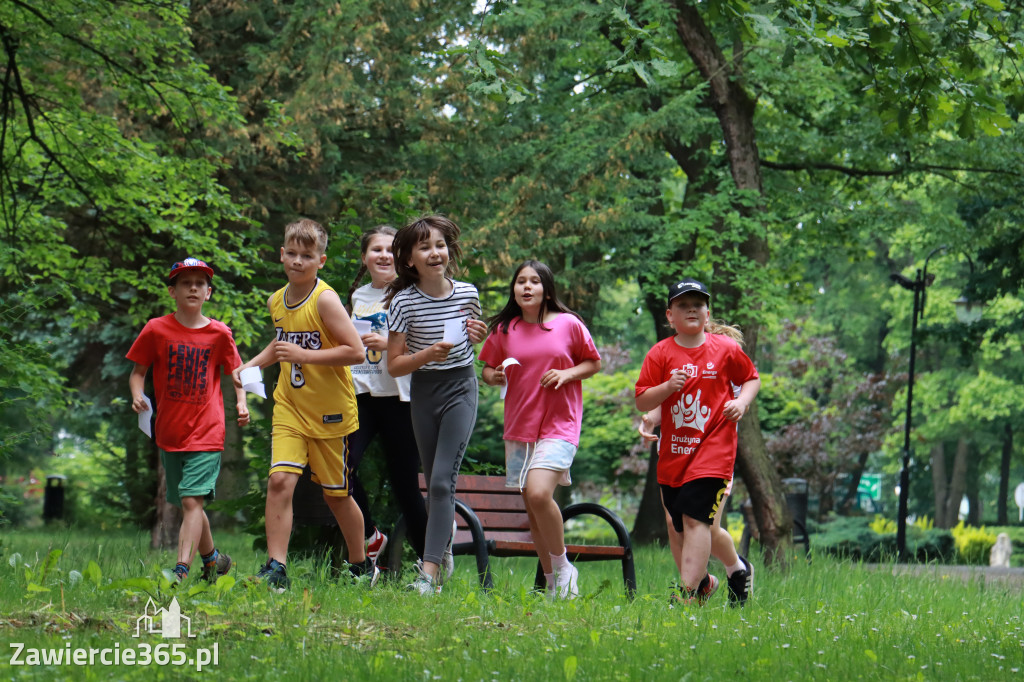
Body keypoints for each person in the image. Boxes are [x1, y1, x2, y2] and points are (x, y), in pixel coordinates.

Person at [234, 218, 375, 591]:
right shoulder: (276, 300)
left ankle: (361, 565)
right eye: (292, 253)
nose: (298, 261)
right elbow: (281, 342)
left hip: (331, 412)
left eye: (307, 255)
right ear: (282, 255)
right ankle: (275, 567)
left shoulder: (324, 299)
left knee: (337, 496)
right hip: (290, 406)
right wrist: (250, 365)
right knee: (280, 481)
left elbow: (355, 351)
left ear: (321, 261)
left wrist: (304, 355)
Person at [479, 261, 601, 599]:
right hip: (519, 426)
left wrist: (566, 375)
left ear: (547, 289)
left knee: (537, 493)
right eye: (520, 282)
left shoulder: (568, 324)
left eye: (534, 281)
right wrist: (496, 376)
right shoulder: (505, 329)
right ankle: (552, 585)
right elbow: (487, 370)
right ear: (513, 290)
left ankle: (563, 567)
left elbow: (593, 363)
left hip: (560, 424)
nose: (527, 287)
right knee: (532, 509)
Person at [634, 278, 760, 606]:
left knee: (696, 521)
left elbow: (750, 379)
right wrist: (656, 408)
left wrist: (742, 403)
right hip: (675, 454)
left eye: (698, 304)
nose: (691, 308)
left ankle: (688, 595)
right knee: (680, 527)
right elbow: (645, 400)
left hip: (715, 450)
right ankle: (729, 573)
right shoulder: (660, 353)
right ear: (669, 315)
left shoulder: (725, 350)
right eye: (682, 304)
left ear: (707, 314)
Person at [127, 257, 249, 583]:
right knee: (189, 502)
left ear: (208, 293)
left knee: (192, 499)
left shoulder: (220, 333)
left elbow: (235, 372)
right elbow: (138, 372)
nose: (193, 287)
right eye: (185, 283)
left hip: (208, 429)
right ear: (173, 291)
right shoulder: (156, 329)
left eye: (200, 283)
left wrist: (241, 402)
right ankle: (213, 562)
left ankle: (181, 571)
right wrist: (138, 395)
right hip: (169, 431)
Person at [384, 215, 486, 596]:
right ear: (409, 259)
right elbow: (394, 364)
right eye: (424, 246)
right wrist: (426, 354)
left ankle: (427, 577)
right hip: (423, 391)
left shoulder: (467, 294)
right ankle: (442, 543)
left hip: (461, 388)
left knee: (442, 482)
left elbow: (477, 345)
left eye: (440, 244)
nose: (435, 252)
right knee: (433, 483)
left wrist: (481, 335)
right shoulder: (403, 303)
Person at [345, 225, 429, 569]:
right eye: (375, 250)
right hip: (361, 395)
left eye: (390, 249)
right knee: (339, 469)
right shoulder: (357, 297)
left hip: (400, 398)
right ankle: (370, 535)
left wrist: (392, 344)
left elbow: (433, 345)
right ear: (364, 258)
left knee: (404, 484)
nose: (384, 255)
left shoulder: (415, 294)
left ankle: (430, 562)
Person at [638, 408, 753, 605]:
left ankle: (737, 570)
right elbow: (667, 396)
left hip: (712, 454)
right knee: (674, 525)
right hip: (675, 450)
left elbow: (743, 395)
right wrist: (652, 418)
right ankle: (699, 585)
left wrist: (740, 403)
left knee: (706, 527)